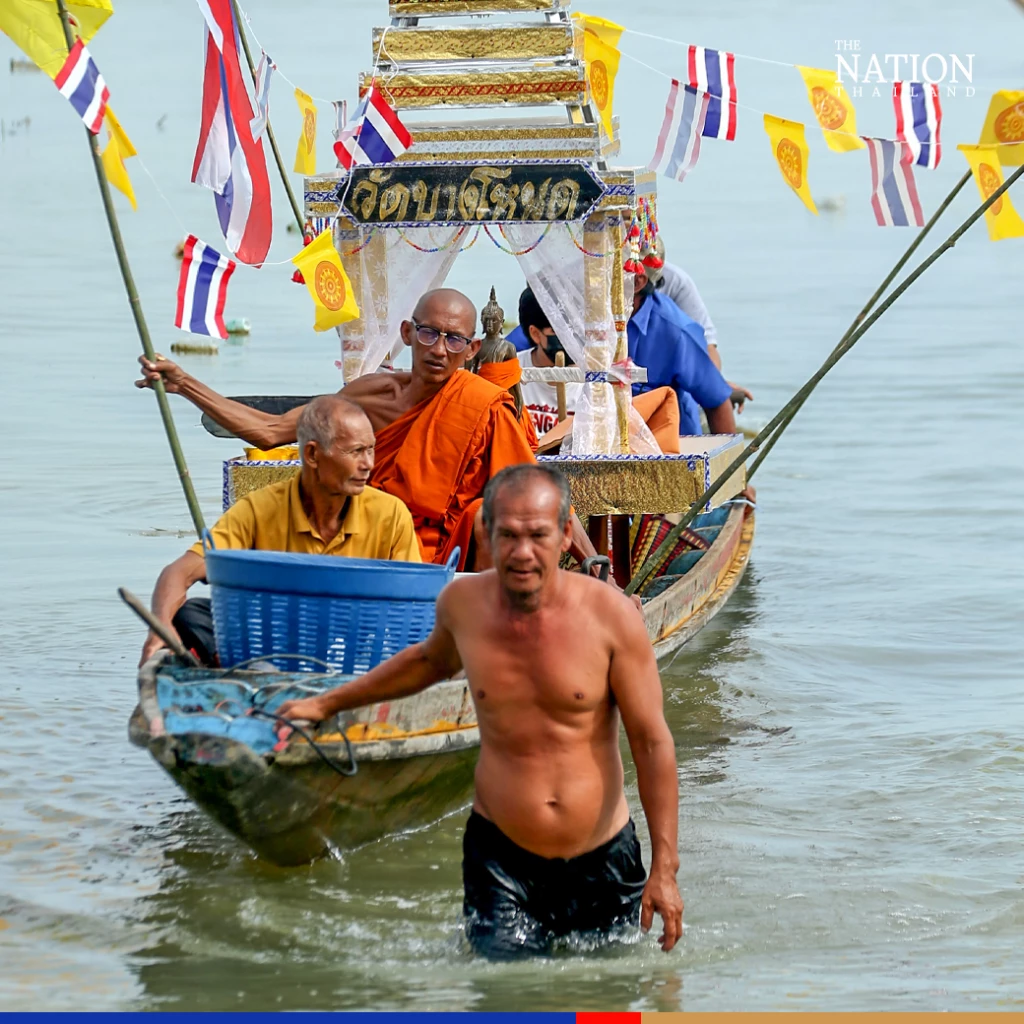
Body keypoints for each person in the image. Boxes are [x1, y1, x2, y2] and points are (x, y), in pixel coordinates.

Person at [275, 464, 684, 959]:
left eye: (538, 535)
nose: (523, 552)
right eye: (508, 535)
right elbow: (427, 662)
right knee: (502, 998)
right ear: (485, 531)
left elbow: (652, 741)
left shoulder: (611, 617)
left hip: (603, 858)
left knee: (605, 999)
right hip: (501, 862)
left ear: (564, 533)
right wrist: (325, 703)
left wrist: (665, 866)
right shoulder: (463, 605)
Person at [136, 289, 599, 571]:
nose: (439, 349)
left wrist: (596, 565)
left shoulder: (482, 406)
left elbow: (536, 489)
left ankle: (486, 625)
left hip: (455, 559)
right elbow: (271, 432)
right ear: (405, 332)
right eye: (428, 333)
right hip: (373, 542)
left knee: (486, 514)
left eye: (454, 339)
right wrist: (185, 385)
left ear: (472, 347)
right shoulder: (370, 394)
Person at [138, 395, 420, 667]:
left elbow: (413, 603)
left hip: (353, 647)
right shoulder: (259, 509)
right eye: (355, 452)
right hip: (273, 645)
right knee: (191, 614)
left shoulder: (390, 514)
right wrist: (159, 627)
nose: (368, 464)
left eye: (370, 449)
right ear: (312, 454)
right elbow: (178, 572)